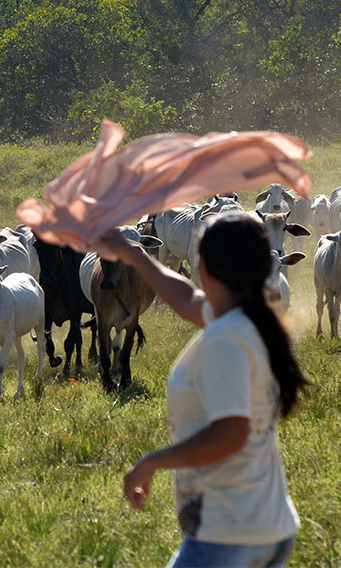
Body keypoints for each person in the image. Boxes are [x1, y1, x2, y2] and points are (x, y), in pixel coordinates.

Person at [98, 212, 306, 568]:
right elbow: (183, 298)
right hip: (265, 524)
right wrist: (136, 256)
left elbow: (231, 433)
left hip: (227, 534)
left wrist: (151, 462)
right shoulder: (244, 318)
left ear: (204, 267)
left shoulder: (227, 338)